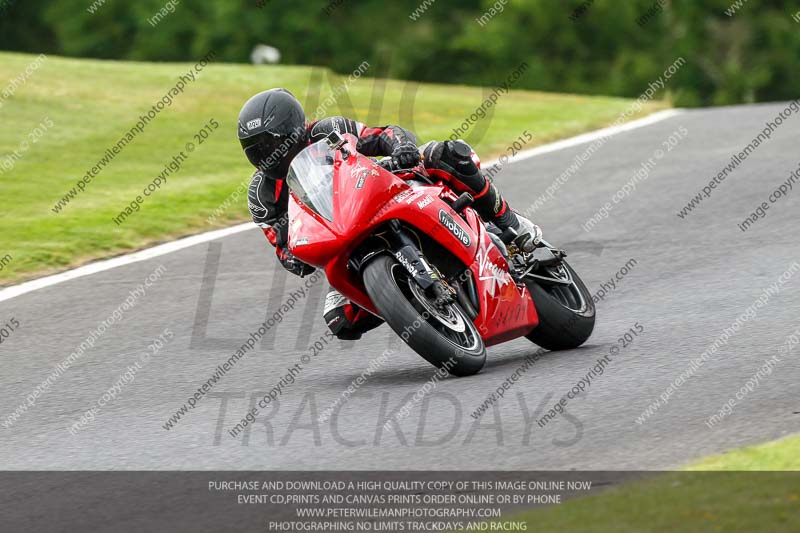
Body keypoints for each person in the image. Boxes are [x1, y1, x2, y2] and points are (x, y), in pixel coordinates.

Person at [239, 88, 542, 340]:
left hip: (378, 190)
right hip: (342, 238)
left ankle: (511, 223)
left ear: (293, 128)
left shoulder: (328, 130)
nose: (266, 155)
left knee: (444, 153)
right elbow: (283, 246)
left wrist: (403, 147)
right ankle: (410, 301)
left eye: (270, 144)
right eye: (256, 149)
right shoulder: (262, 196)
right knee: (340, 319)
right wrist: (295, 257)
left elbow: (383, 134)